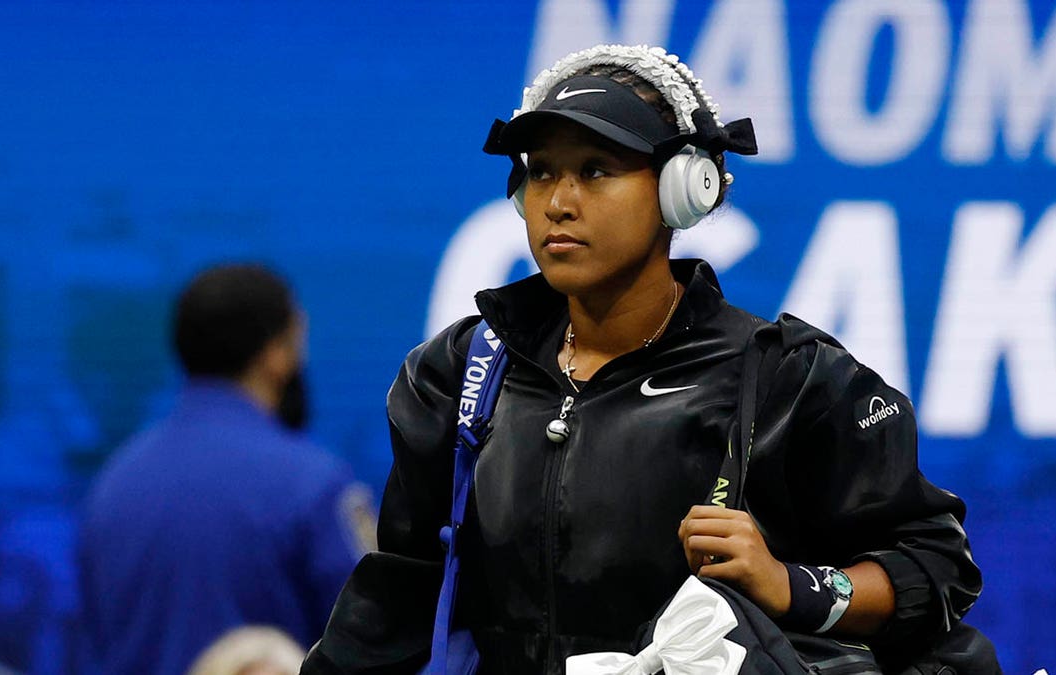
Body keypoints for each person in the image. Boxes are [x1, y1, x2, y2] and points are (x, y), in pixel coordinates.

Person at [303, 45, 994, 674]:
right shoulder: (459, 372)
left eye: (595, 170)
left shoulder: (788, 377)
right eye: (541, 173)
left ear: (682, 188)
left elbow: (934, 568)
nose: (559, 203)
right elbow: (399, 596)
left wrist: (793, 585)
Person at [79, 264, 376, 675]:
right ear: (276, 354)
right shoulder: (313, 484)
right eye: (298, 337)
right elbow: (374, 642)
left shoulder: (111, 486)